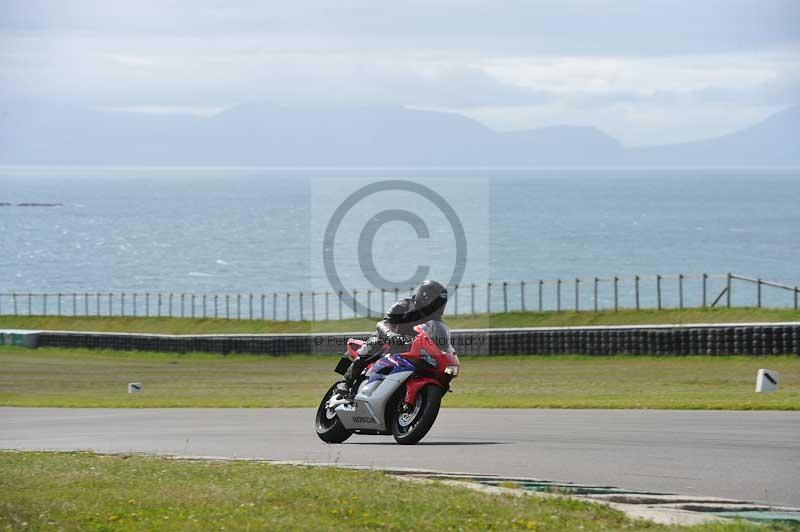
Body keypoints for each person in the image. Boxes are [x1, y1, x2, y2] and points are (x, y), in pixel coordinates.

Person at [336, 279, 448, 398]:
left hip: (412, 350)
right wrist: (391, 335)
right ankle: (346, 382)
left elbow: (441, 341)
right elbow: (383, 324)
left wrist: (446, 351)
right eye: (436, 303)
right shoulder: (403, 306)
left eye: (440, 304)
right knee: (374, 343)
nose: (438, 307)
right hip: (390, 342)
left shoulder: (437, 321)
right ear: (424, 298)